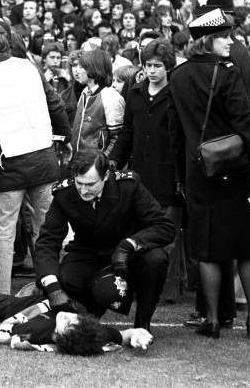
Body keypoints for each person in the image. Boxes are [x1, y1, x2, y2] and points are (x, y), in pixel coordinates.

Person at [169, 8, 250, 339]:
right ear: (207, 41)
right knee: (245, 247)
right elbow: (246, 124)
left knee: (207, 248)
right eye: (224, 37)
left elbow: (176, 131)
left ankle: (211, 320)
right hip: (235, 170)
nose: (230, 42)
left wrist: (181, 174)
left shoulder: (178, 76)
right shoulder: (226, 74)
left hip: (198, 171)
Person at [0, 27, 72, 298]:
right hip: (43, 158)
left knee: (3, 232)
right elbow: (57, 105)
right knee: (46, 230)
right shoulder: (30, 67)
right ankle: (53, 287)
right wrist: (67, 137)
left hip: (8, 166)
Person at [34, 148, 176, 331]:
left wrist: (128, 245)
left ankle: (143, 323)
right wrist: (51, 286)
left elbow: (164, 227)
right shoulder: (64, 193)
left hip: (131, 254)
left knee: (156, 259)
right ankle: (90, 315)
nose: (83, 190)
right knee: (66, 278)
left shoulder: (128, 186)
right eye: (79, 183)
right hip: (89, 251)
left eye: (91, 184)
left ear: (106, 176)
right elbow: (47, 241)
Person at [110, 38, 185, 301]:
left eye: (158, 66)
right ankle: (140, 284)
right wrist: (113, 163)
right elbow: (126, 134)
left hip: (169, 174)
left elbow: (183, 137)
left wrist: (181, 176)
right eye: (148, 65)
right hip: (140, 174)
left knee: (169, 236)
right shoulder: (135, 93)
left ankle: (167, 290)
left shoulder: (178, 94)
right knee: (140, 232)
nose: (152, 70)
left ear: (168, 67)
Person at [0, 285, 153, 355]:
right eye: (76, 320)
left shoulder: (33, 333)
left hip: (33, 309)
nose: (70, 318)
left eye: (68, 324)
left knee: (1, 304)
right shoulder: (91, 332)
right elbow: (125, 335)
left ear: (59, 336)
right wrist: (139, 335)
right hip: (59, 297)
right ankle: (36, 286)